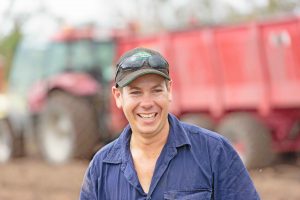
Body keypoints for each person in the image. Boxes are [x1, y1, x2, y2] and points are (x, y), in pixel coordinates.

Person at [79, 47, 260, 200]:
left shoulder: (214, 152)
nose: (147, 103)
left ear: (169, 91)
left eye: (156, 90)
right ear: (118, 97)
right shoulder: (101, 167)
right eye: (135, 93)